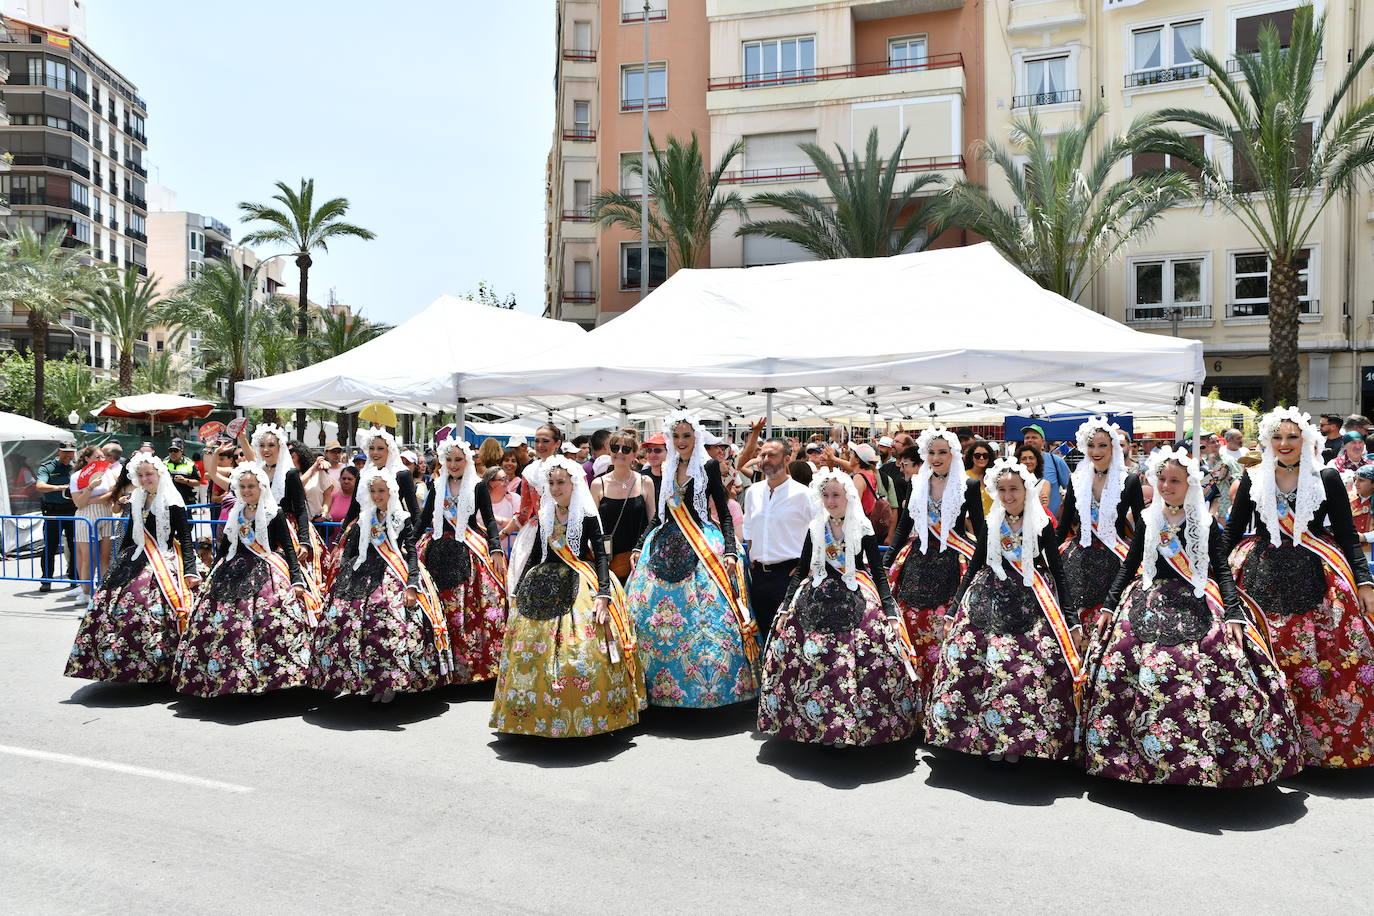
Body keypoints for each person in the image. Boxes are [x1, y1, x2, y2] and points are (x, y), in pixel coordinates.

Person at [1082, 448, 1302, 786]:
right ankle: (1129, 758)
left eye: (1175, 481)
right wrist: (1109, 607)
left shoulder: (1205, 522)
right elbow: (1129, 566)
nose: (1166, 486)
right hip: (1147, 599)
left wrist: (1234, 612)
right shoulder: (1147, 519)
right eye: (1161, 479)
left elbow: (1222, 571)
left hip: (1197, 599)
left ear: (1190, 485)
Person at [1228, 407, 1374, 768]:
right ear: (1267, 441)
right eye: (1277, 437)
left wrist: (1364, 581)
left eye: (1292, 436)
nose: (1284, 443)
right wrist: (1210, 573)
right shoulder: (1253, 476)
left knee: (1324, 658)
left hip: (1316, 571)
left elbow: (1347, 534)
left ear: (1305, 439)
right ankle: (1266, 746)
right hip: (1259, 573)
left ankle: (1315, 749)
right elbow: (1232, 531)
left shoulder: (1325, 476)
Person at [925, 457, 1077, 763]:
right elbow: (974, 566)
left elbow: (1059, 573)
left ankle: (1016, 740)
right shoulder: (992, 522)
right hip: (989, 597)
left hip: (1031, 600)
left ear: (1026, 490)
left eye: (1014, 489)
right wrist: (954, 610)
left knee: (1019, 671)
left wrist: (1071, 619)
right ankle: (987, 739)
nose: (1008, 496)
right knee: (980, 664)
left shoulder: (1042, 524)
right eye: (1003, 489)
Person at [758, 469, 919, 746]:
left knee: (858, 659)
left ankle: (849, 726)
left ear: (848, 497)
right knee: (811, 660)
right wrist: (785, 608)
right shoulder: (815, 527)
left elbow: (878, 574)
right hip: (816, 594)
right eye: (826, 495)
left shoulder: (862, 527)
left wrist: (891, 612)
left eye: (836, 495)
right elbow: (801, 570)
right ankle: (814, 723)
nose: (830, 501)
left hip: (856, 592)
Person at [491, 456, 645, 737]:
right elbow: (536, 555)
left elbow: (601, 556)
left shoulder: (586, 515)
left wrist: (603, 594)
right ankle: (532, 714)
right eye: (551, 483)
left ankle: (585, 714)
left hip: (579, 582)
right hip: (543, 584)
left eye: (560, 482)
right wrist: (518, 589)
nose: (555, 488)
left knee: (580, 652)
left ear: (574, 484)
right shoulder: (546, 514)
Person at [626, 411, 759, 707]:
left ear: (696, 437)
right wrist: (638, 545)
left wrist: (729, 549)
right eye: (676, 436)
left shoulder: (708, 466)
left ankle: (707, 687)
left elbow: (723, 511)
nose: (681, 441)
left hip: (701, 542)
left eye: (686, 435)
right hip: (663, 543)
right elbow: (659, 515)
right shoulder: (667, 466)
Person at [172, 462, 313, 697]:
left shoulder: (274, 512)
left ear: (262, 487)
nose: (247, 491)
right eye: (243, 486)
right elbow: (226, 546)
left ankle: (268, 677)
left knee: (268, 621)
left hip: (267, 569)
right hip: (232, 570)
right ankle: (227, 676)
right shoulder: (236, 512)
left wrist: (297, 579)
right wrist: (212, 572)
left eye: (251, 486)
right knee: (223, 623)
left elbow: (289, 549)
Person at [311, 466, 449, 702]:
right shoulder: (364, 518)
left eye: (381, 491)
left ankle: (390, 681)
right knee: (350, 626)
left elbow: (411, 553)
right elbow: (351, 551)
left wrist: (412, 583)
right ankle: (367, 680)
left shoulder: (402, 518)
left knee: (388, 624)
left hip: (392, 574)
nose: (376, 495)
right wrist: (344, 577)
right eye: (373, 491)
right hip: (362, 575)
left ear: (391, 492)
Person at [65, 453, 198, 683]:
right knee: (116, 602)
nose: (145, 479)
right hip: (136, 555)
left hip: (164, 555)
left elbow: (186, 537)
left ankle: (162, 665)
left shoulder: (172, 501)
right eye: (141, 475)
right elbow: (130, 534)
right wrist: (119, 563)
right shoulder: (137, 497)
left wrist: (190, 570)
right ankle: (117, 663)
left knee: (150, 605)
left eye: (149, 474)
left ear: (159, 474)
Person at [886, 428, 986, 699]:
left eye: (942, 452)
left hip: (954, 560)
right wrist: (887, 559)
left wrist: (988, 562)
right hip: (917, 561)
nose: (936, 457)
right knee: (911, 622)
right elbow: (904, 525)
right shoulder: (917, 482)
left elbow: (980, 528)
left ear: (954, 454)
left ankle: (941, 696)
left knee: (947, 628)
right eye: (931, 452)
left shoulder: (968, 485)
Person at [416, 439, 508, 684]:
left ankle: (469, 668)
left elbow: (489, 519)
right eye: (449, 459)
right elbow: (424, 518)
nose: (453, 464)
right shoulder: (436, 485)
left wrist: (495, 547)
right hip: (437, 548)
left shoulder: (477, 486)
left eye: (458, 459)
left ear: (467, 461)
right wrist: (409, 542)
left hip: (469, 547)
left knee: (472, 606)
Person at [1054, 417, 1146, 629]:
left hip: (1115, 556)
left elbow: (1142, 524)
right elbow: (1064, 524)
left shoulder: (1129, 480)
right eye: (1091, 445)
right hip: (1079, 556)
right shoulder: (1076, 479)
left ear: (1113, 447)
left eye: (1102, 445)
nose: (1096, 451)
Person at [741, 438, 812, 647]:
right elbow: (748, 528)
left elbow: (820, 531)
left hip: (789, 575)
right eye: (762, 455)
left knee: (789, 639)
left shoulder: (804, 494)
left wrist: (808, 566)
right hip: (759, 577)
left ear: (787, 459)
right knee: (762, 635)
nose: (765, 459)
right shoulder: (753, 492)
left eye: (772, 455)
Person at [590, 429, 656, 581]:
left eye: (626, 449)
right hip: (608, 561)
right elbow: (592, 524)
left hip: (638, 560)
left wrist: (641, 548)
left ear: (634, 454)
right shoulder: (598, 484)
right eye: (615, 448)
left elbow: (653, 520)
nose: (619, 452)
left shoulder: (645, 482)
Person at [35, 441, 78, 592]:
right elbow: (40, 486)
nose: (68, 455)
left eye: (71, 452)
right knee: (50, 546)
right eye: (65, 452)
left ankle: (75, 578)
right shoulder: (48, 467)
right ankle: (46, 579)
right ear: (58, 452)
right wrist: (60, 487)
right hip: (53, 512)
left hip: (72, 510)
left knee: (75, 545)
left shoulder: (76, 467)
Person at [1018, 424, 1069, 516]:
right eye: (1027, 437)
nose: (1030, 440)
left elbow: (1070, 487)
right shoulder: (1017, 463)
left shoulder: (1055, 461)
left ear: (1043, 442)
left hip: (1052, 520)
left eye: (1034, 437)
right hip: (1024, 519)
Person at [485, 466, 521, 556]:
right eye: (502, 479)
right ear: (491, 483)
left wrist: (499, 520)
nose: (507, 482)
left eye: (507, 478)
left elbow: (521, 522)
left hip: (513, 554)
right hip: (487, 554)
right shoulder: (480, 502)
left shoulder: (515, 498)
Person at [963, 439, 996, 514]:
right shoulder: (964, 476)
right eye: (977, 455)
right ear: (971, 457)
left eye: (985, 455)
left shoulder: (994, 476)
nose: (981, 458)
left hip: (993, 520)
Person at [164, 438, 200, 506]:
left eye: (175, 450)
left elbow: (198, 482)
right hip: (168, 501)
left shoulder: (190, 463)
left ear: (181, 450)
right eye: (170, 451)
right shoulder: (163, 463)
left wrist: (185, 481)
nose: (173, 453)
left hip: (185, 500)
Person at [1351, 465, 1374, 563]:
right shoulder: (1348, 498)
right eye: (1355, 480)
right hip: (1349, 549)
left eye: (1361, 480)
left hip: (1370, 552)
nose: (1356, 484)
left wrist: (1364, 537)